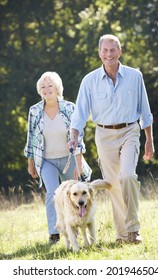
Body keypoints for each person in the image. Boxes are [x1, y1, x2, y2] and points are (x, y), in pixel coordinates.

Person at [68, 34, 155, 244]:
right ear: (99, 53)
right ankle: (122, 234)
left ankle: (133, 229)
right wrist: (74, 137)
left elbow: (145, 110)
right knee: (113, 185)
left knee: (127, 177)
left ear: (120, 52)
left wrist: (149, 139)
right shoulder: (89, 81)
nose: (109, 54)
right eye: (105, 50)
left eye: (113, 50)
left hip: (130, 131)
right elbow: (79, 113)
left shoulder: (135, 76)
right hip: (104, 135)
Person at [24, 71, 91, 243]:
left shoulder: (70, 108)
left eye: (50, 86)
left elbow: (79, 138)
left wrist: (78, 164)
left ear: (57, 88)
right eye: (43, 87)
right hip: (46, 161)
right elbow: (31, 138)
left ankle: (74, 229)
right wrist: (30, 162)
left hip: (69, 160)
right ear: (40, 90)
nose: (47, 89)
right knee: (53, 194)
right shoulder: (35, 111)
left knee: (73, 196)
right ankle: (54, 232)